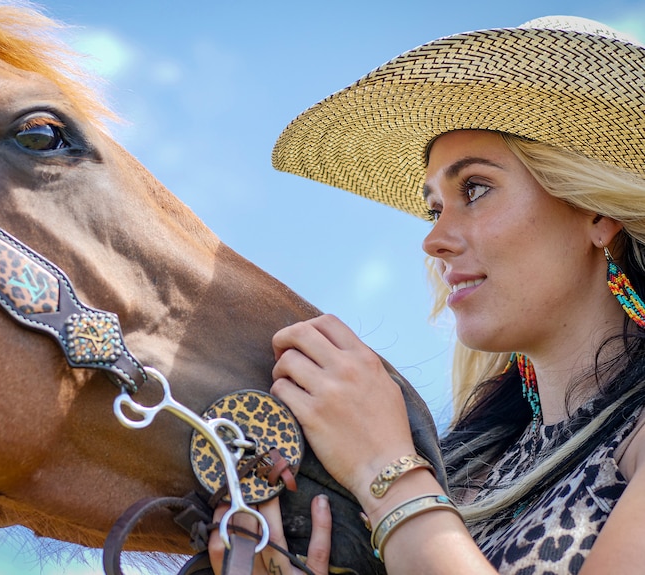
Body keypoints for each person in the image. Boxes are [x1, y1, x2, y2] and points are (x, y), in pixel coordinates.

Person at [208, 15, 645, 575]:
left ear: (597, 210)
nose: (434, 240)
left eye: (476, 189)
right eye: (434, 207)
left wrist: (384, 468)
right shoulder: (471, 469)